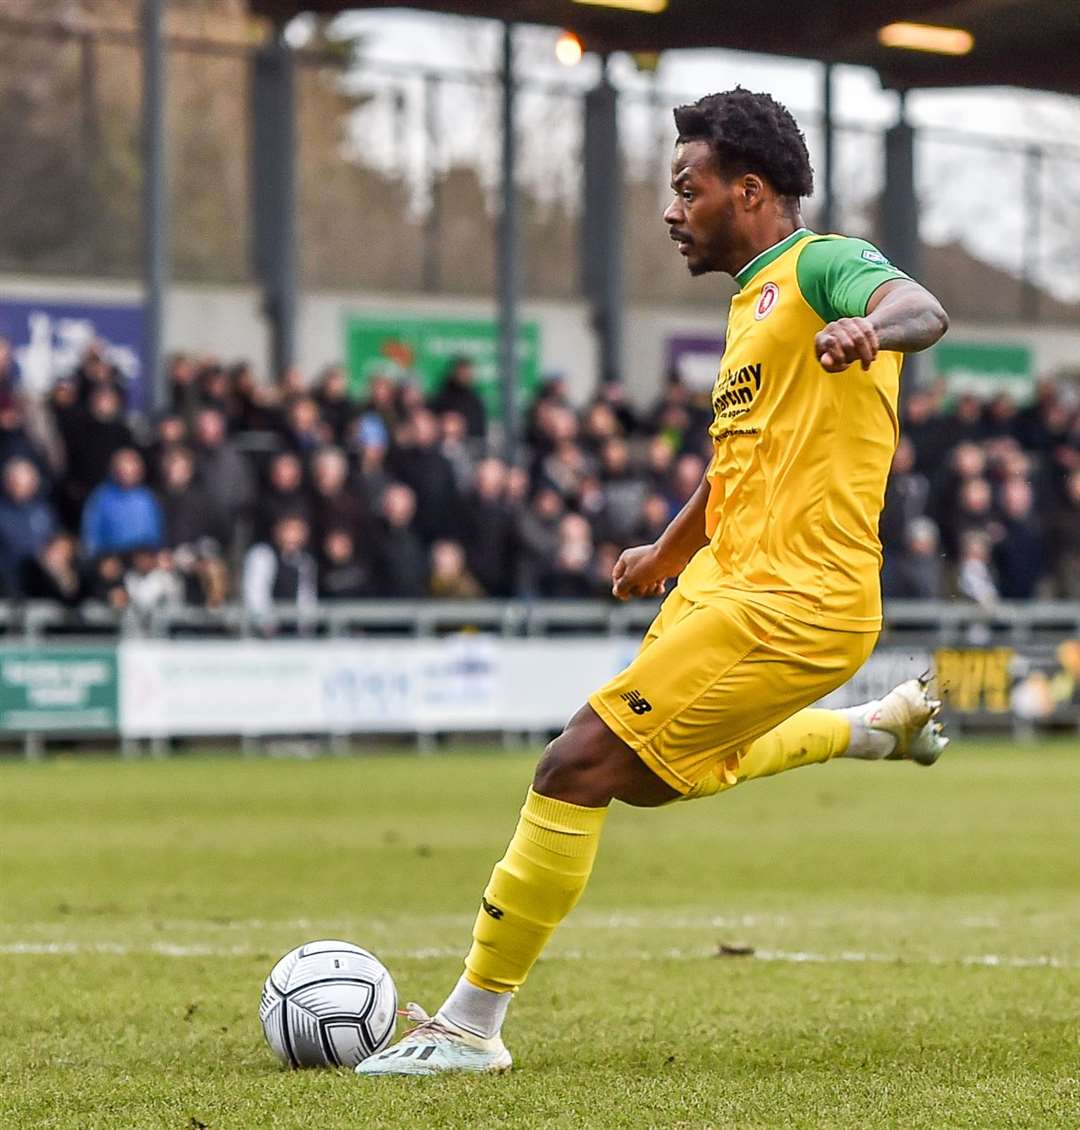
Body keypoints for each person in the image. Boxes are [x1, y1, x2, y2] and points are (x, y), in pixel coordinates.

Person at [358, 88, 950, 1078]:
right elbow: (738, 468)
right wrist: (670, 549)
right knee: (642, 777)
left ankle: (468, 1024)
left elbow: (920, 306)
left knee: (574, 765)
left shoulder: (820, 267)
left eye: (690, 188)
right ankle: (880, 724)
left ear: (750, 191)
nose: (673, 210)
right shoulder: (751, 304)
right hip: (729, 584)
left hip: (797, 600)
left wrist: (870, 332)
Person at [80, 448, 163, 557]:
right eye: (123, 467)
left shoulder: (146, 497)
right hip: (111, 558)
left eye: (132, 467)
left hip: (144, 558)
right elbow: (90, 534)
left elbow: (156, 533)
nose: (127, 472)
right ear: (114, 469)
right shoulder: (101, 497)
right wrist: (98, 561)